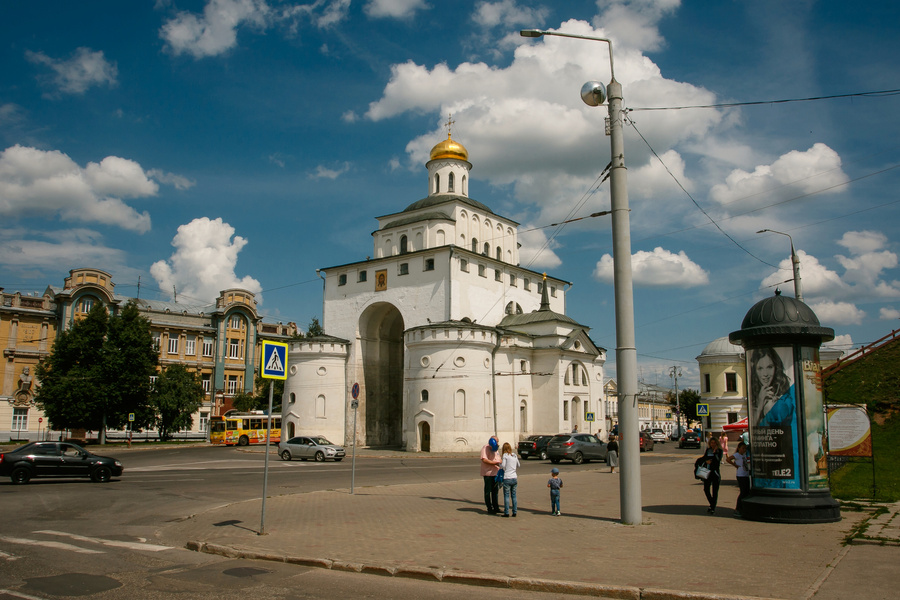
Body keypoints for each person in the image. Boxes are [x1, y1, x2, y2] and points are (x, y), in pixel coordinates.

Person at [750, 347, 794, 427]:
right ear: (755, 370)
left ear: (776, 367)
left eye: (769, 367)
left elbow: (785, 419)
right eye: (760, 368)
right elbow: (752, 425)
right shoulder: (753, 391)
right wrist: (760, 402)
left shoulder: (784, 393)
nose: (765, 374)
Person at [697, 436, 723, 514]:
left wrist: (715, 453)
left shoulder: (719, 450)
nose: (713, 444)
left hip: (715, 472)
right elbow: (704, 458)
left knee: (715, 491)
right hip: (707, 472)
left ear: (717, 443)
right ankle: (712, 504)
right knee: (706, 489)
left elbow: (718, 461)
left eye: (714, 443)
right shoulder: (708, 450)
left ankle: (712, 507)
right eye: (711, 443)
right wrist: (706, 461)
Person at [726, 441, 751, 518]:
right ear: (739, 448)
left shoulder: (745, 455)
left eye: (745, 449)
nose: (744, 450)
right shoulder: (737, 455)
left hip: (746, 474)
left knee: (746, 491)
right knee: (743, 492)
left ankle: (743, 508)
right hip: (740, 475)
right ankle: (738, 508)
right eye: (742, 448)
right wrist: (735, 465)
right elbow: (728, 459)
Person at [480, 436, 501, 514]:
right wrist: (494, 463)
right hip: (488, 473)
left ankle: (496, 507)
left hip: (496, 473)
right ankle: (489, 508)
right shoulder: (485, 448)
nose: (498, 443)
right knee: (488, 491)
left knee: (495, 491)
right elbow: (484, 459)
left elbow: (498, 458)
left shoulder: (495, 449)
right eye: (497, 441)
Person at [500, 442, 520, 517]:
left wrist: (500, 464)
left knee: (506, 495)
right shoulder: (514, 455)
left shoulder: (505, 455)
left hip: (507, 477)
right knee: (514, 495)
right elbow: (519, 465)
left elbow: (503, 465)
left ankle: (506, 512)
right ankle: (514, 511)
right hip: (514, 477)